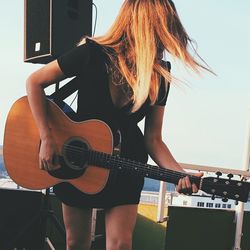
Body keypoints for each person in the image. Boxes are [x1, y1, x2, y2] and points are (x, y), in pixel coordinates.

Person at [26, 0, 209, 249]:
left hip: (127, 163)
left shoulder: (160, 75)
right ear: (149, 25)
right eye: (165, 27)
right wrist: (46, 138)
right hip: (79, 159)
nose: (167, 37)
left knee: (121, 244)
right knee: (75, 242)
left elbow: (153, 139)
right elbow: (35, 82)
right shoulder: (92, 52)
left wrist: (178, 174)